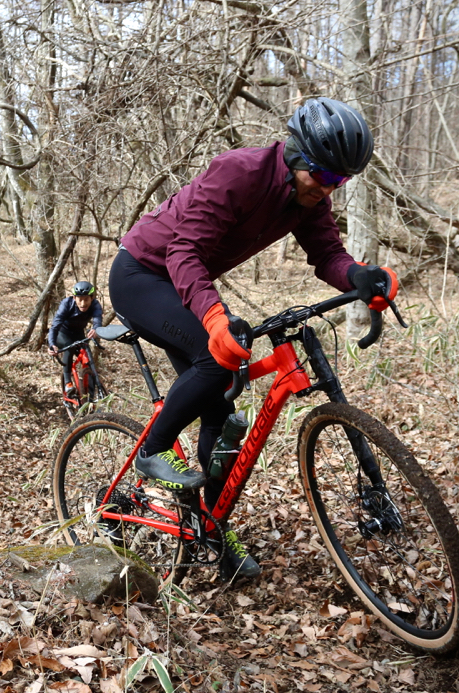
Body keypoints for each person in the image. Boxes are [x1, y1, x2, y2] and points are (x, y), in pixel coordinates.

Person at [108, 97, 397, 582]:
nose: (329, 189)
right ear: (297, 158)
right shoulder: (238, 172)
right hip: (142, 274)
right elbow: (184, 252)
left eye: (341, 182)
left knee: (221, 421)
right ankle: (151, 450)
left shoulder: (309, 198)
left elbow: (326, 253)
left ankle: (212, 535)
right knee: (212, 356)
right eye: (325, 177)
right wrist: (215, 317)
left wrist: (360, 275)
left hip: (181, 283)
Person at [48, 281, 104, 397]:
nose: (83, 303)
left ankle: (90, 392)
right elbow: (55, 326)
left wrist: (96, 329)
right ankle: (67, 382)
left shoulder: (95, 305)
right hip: (63, 333)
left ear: (92, 298)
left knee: (87, 356)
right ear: (74, 298)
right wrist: (52, 344)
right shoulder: (66, 304)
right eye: (80, 299)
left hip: (78, 333)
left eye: (86, 300)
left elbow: (97, 319)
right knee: (70, 346)